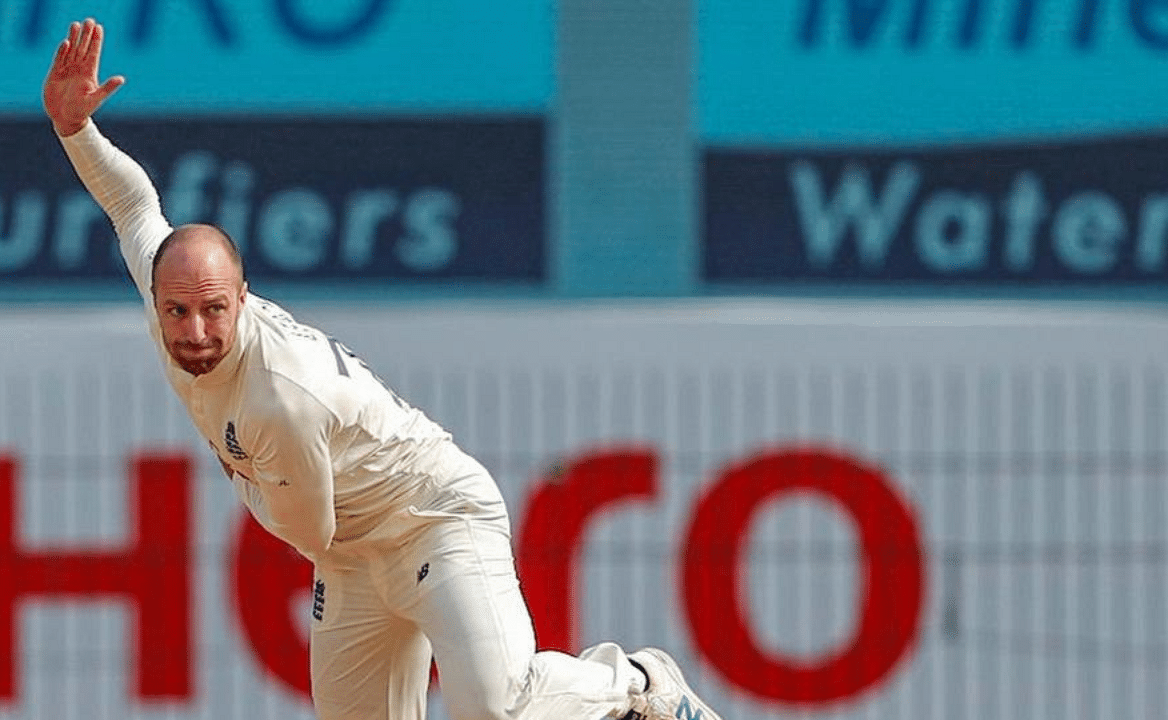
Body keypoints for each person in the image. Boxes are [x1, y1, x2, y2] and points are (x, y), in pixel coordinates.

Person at [43, 18, 724, 720]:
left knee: (499, 709)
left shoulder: (280, 396)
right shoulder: (169, 280)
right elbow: (133, 205)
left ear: (243, 299)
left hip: (433, 517)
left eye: (214, 310)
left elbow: (307, 530)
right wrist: (74, 131)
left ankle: (639, 684)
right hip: (352, 557)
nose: (195, 331)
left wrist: (242, 471)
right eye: (177, 312)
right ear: (154, 296)